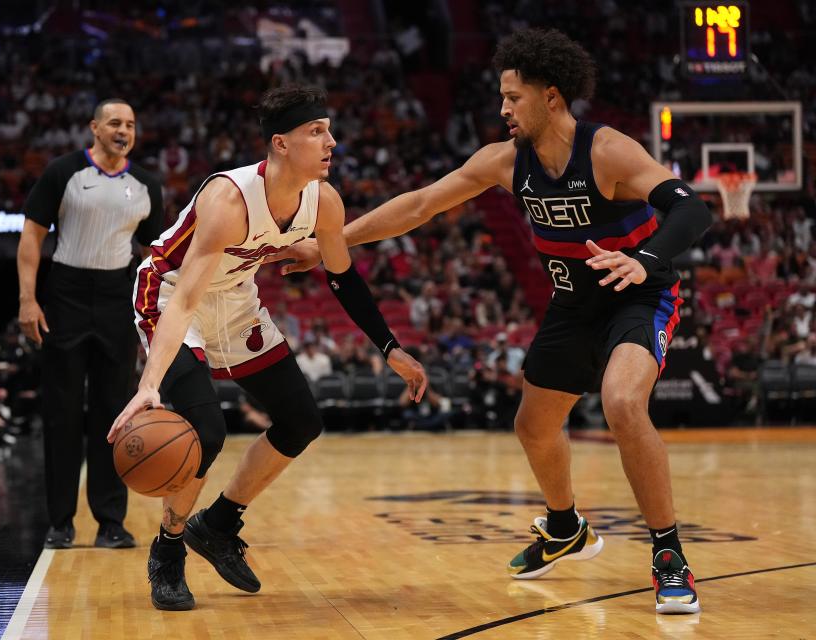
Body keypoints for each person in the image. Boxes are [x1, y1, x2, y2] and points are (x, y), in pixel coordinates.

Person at [268, 29, 712, 614]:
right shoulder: (506, 162)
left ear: (552, 98)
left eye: (514, 97)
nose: (503, 109)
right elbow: (419, 205)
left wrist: (646, 259)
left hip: (637, 292)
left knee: (623, 404)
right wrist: (329, 242)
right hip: (573, 300)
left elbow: (691, 208)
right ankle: (565, 528)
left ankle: (668, 554)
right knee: (533, 426)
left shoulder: (607, 151)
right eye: (502, 97)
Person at [106, 84, 427, 612]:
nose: (332, 142)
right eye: (316, 132)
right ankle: (167, 550)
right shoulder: (230, 200)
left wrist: (389, 347)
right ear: (280, 144)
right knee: (205, 433)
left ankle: (219, 524)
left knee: (301, 420)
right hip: (170, 295)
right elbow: (185, 298)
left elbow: (344, 280)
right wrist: (148, 386)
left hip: (234, 299)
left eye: (329, 130)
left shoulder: (324, 202)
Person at [17, 98, 163, 550]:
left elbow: (151, 254)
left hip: (117, 298)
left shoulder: (145, 184)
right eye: (115, 122)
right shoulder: (64, 172)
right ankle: (60, 522)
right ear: (94, 128)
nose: (124, 130)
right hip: (65, 294)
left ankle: (110, 521)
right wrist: (28, 299)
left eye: (131, 124)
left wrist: (154, 311)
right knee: (61, 413)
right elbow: (31, 236)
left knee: (112, 412)